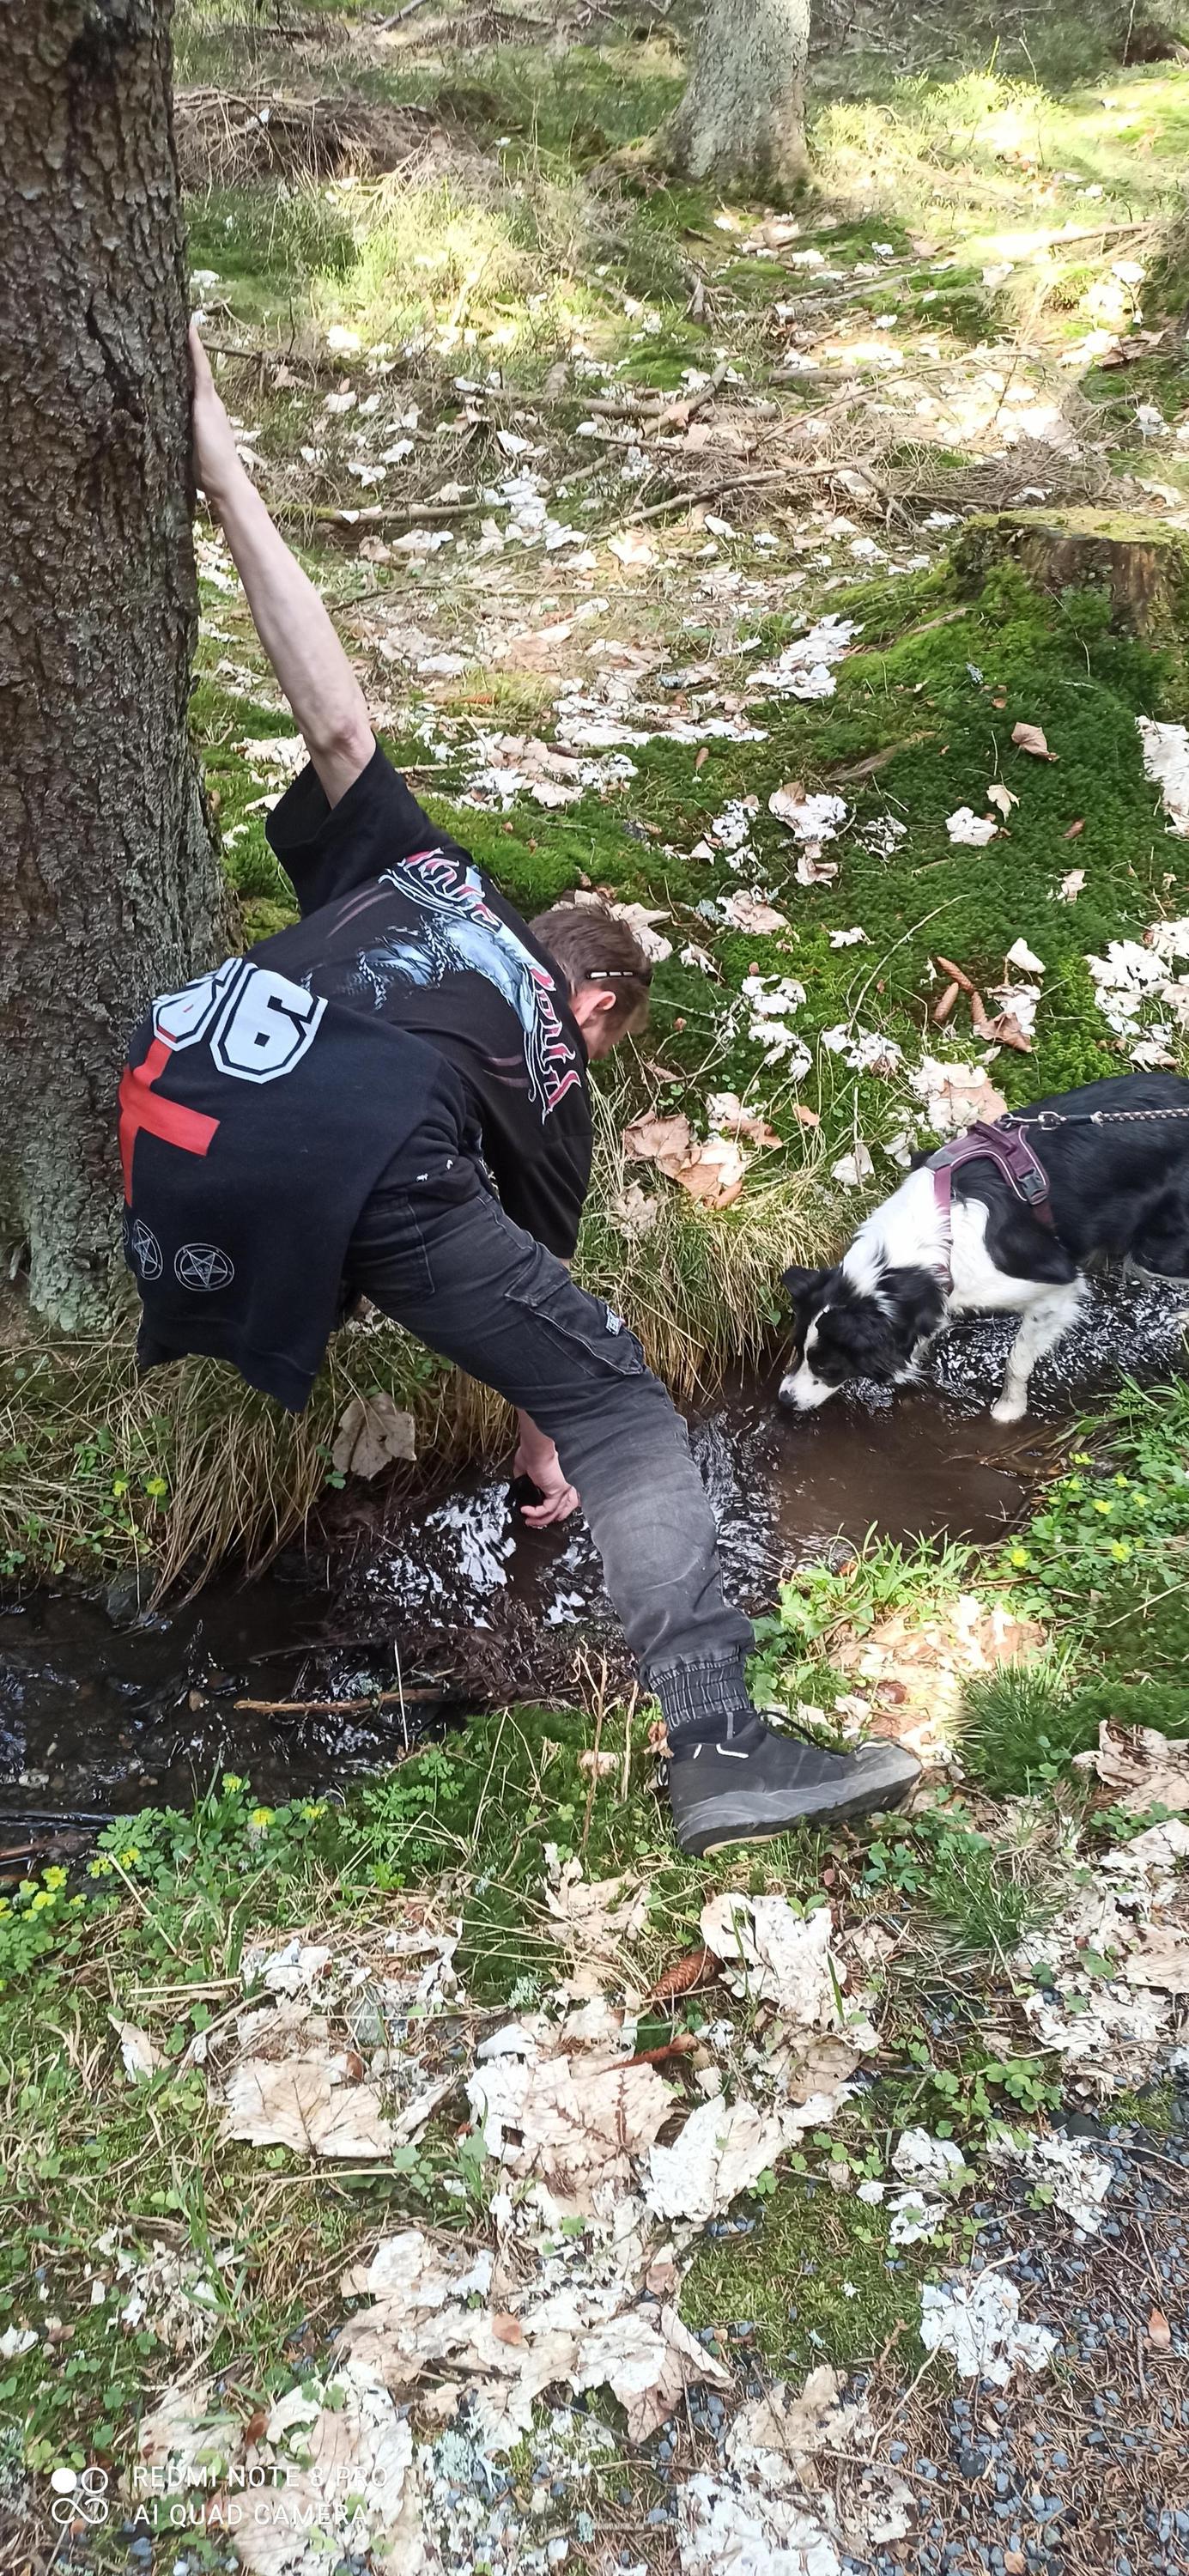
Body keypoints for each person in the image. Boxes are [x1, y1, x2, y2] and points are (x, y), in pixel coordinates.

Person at [118, 326, 919, 1856]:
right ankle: (723, 1740)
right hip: (345, 1144)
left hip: (176, 1101)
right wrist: (558, 1430)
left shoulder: (424, 878)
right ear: (595, 1002)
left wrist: (218, 459)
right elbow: (543, 1323)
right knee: (621, 1399)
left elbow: (329, 712)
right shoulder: (547, 1063)